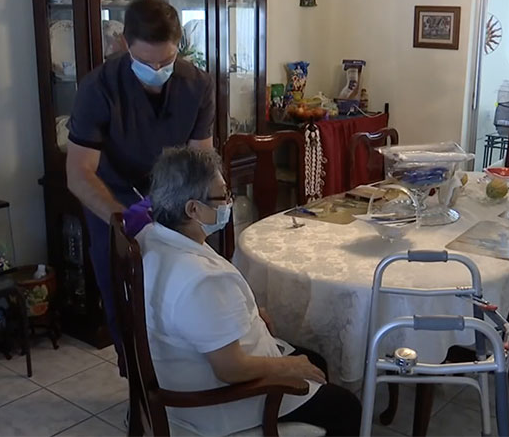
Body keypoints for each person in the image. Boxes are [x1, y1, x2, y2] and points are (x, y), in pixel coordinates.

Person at [136, 147, 362, 436]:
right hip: (216, 403)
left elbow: (203, 316)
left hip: (182, 366)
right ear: (192, 209)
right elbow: (230, 369)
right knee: (346, 408)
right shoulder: (200, 279)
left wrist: (250, 315)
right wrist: (285, 369)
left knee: (315, 361)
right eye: (222, 196)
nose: (228, 203)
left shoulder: (151, 237)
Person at [65, 0, 214, 371]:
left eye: (166, 61)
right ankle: (139, 391)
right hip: (109, 198)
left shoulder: (197, 84)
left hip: (172, 199)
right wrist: (125, 220)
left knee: (184, 290)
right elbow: (78, 172)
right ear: (125, 45)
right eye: (146, 62)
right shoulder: (98, 87)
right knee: (125, 300)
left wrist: (210, 207)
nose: (157, 69)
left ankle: (184, 387)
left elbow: (201, 161)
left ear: (178, 46)